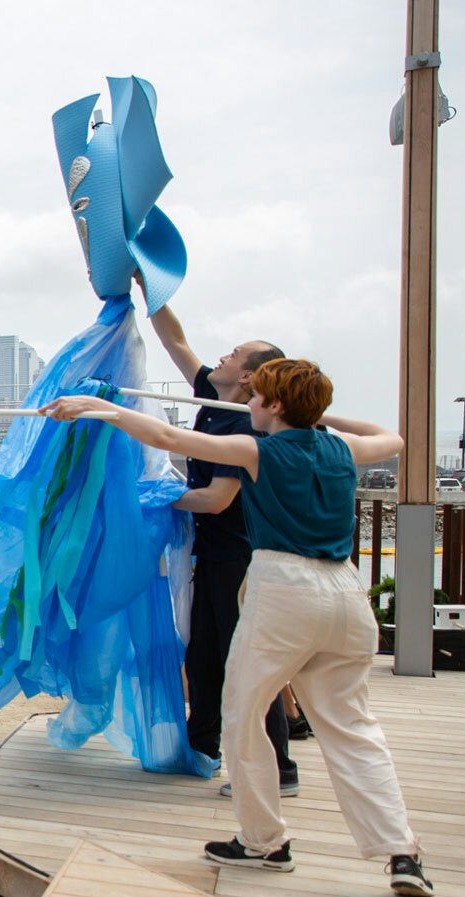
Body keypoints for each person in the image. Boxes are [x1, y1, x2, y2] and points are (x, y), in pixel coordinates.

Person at [43, 360, 432, 897]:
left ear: (274, 406)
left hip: (285, 591)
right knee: (353, 725)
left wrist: (97, 407)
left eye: (258, 396)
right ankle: (402, 853)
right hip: (346, 594)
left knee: (243, 712)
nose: (247, 404)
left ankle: (263, 840)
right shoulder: (341, 450)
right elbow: (393, 438)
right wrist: (316, 412)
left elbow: (165, 435)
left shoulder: (257, 451)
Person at [149, 300, 299, 796]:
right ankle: (203, 749)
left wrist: (159, 497)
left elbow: (216, 500)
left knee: (248, 663)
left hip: (239, 560)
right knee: (205, 660)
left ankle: (278, 767)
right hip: (211, 557)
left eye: (234, 354)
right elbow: (175, 341)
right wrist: (148, 284)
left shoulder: (243, 424)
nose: (223, 356)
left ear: (252, 377)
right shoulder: (214, 401)